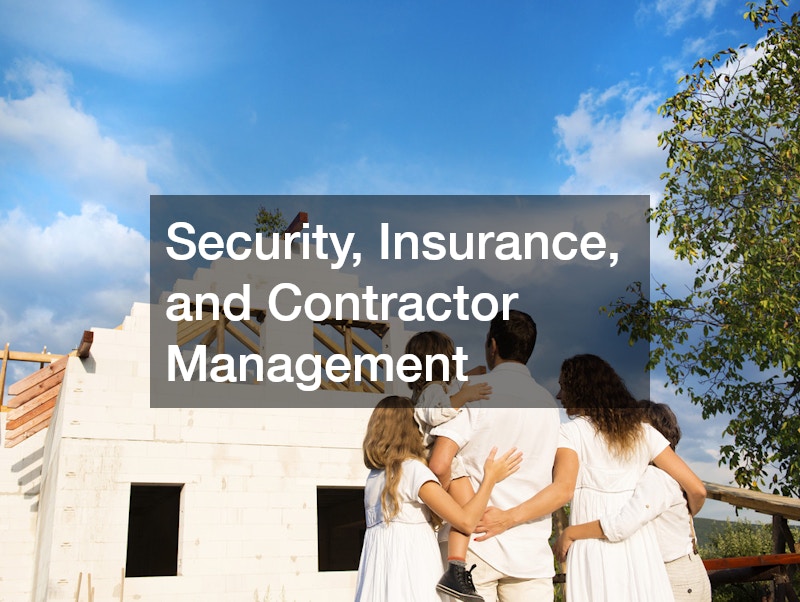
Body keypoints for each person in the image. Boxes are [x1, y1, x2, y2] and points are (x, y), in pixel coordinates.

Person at [428, 310, 560, 602]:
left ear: (493, 345)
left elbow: (439, 465)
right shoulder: (548, 405)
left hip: (473, 549)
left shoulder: (476, 394)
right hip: (530, 552)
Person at [552, 354, 706, 602]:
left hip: (590, 544)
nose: (559, 395)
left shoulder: (569, 433)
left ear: (580, 390)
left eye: (563, 386)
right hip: (640, 548)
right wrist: (687, 516)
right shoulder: (644, 433)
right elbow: (697, 489)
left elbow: (562, 488)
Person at [354, 396, 522, 602]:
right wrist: (490, 479)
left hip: (380, 579)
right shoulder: (412, 470)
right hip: (413, 574)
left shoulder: (374, 478)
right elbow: (466, 522)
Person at [406, 330, 493, 597]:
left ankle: (456, 567)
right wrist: (464, 397)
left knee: (467, 514)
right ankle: (456, 569)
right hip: (446, 461)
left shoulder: (431, 390)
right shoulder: (434, 392)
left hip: (440, 460)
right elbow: (435, 411)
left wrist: (468, 377)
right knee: (469, 513)